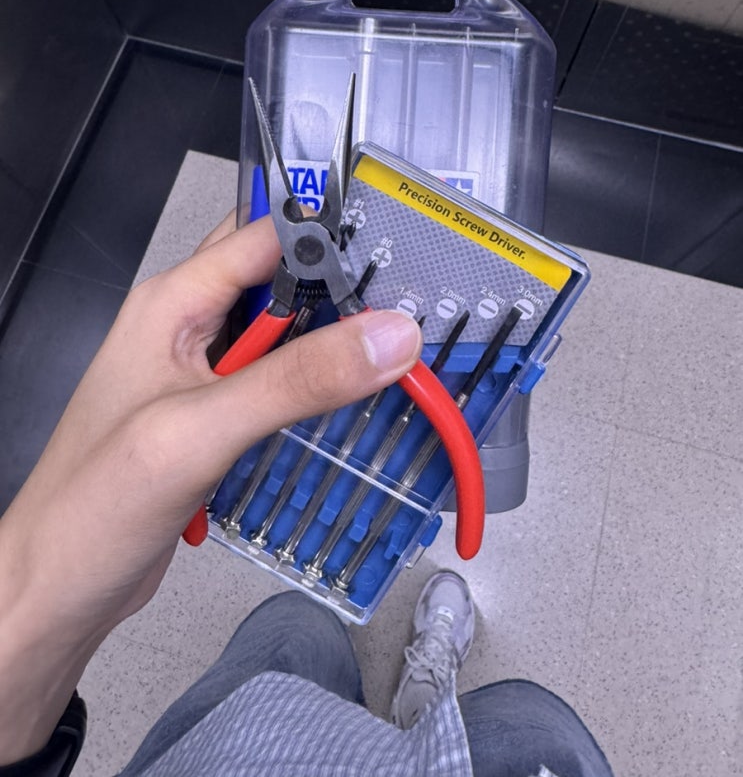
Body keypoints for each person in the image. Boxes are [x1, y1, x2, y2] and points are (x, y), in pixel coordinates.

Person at [0, 213, 613, 777]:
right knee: (531, 730)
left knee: (294, 632)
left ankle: (416, 700)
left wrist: (36, 616)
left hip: (237, 747)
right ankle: (429, 704)